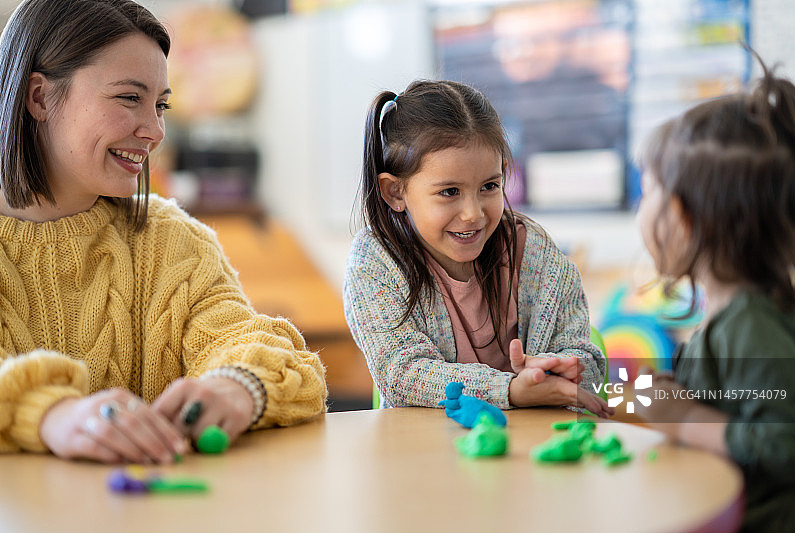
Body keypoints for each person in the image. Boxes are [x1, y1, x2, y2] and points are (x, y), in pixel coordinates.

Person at [0, 0, 327, 464]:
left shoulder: (173, 242)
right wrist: (50, 413)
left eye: (161, 105)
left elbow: (257, 346)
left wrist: (239, 386)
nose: (155, 131)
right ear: (38, 98)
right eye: (129, 98)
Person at [343, 79, 611, 416]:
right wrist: (511, 390)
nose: (473, 214)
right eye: (450, 192)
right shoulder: (375, 262)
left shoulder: (535, 252)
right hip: (423, 454)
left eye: (489, 186)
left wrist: (561, 371)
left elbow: (586, 361)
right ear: (396, 193)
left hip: (534, 449)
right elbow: (401, 373)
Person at [635, 58, 795, 531]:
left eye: (647, 192)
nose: (640, 209)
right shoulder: (738, 314)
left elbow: (785, 442)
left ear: (683, 220)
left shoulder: (753, 324)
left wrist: (685, 417)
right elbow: (743, 404)